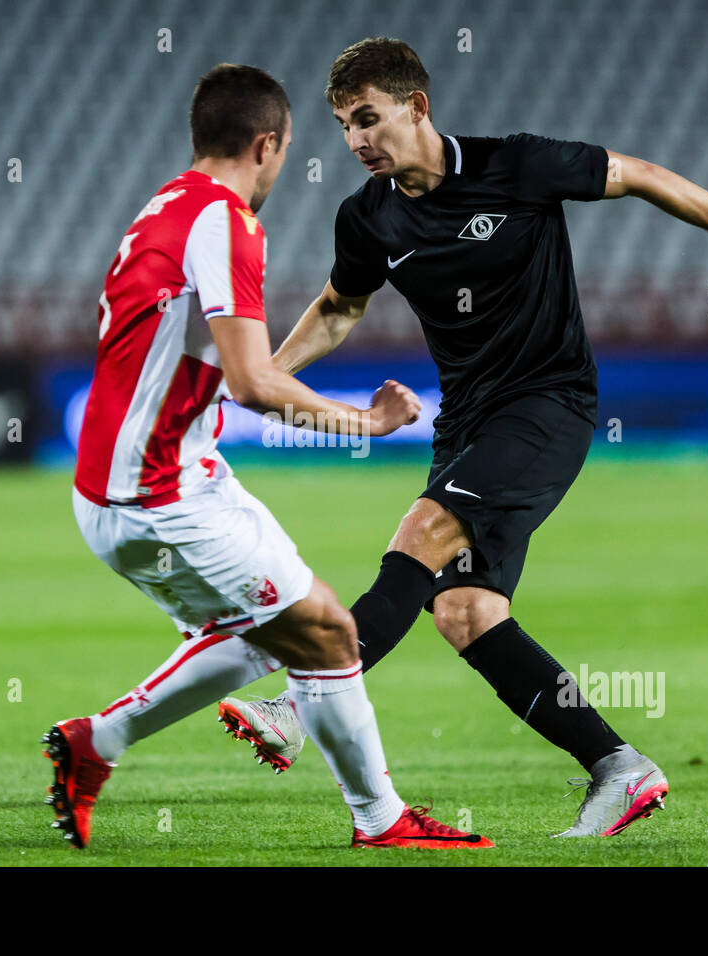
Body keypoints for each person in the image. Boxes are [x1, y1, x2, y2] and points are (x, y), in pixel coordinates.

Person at [218, 37, 708, 837]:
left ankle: (299, 704)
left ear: (416, 106)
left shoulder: (516, 165)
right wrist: (263, 376)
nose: (355, 140)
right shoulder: (368, 215)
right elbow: (341, 308)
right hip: (469, 424)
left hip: (548, 406)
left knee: (421, 533)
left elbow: (639, 174)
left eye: (368, 118)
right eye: (343, 125)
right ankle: (621, 769)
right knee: (467, 611)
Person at [44, 62, 493, 851]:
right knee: (327, 633)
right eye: (286, 151)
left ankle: (96, 743)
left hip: (153, 477)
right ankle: (382, 821)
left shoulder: (163, 207)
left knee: (271, 631)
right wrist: (366, 423)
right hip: (156, 493)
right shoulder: (224, 220)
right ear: (266, 144)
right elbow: (252, 382)